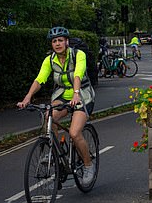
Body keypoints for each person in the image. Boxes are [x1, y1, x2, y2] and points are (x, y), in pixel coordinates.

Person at [17, 26, 96, 184]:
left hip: (82, 94)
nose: (58, 43)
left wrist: (75, 93)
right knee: (48, 117)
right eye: (54, 41)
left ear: (67, 42)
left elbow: (79, 73)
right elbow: (40, 79)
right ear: (51, 44)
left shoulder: (78, 55)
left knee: (74, 133)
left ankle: (88, 165)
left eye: (61, 40)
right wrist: (28, 97)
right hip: (62, 94)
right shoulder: (50, 60)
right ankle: (55, 150)